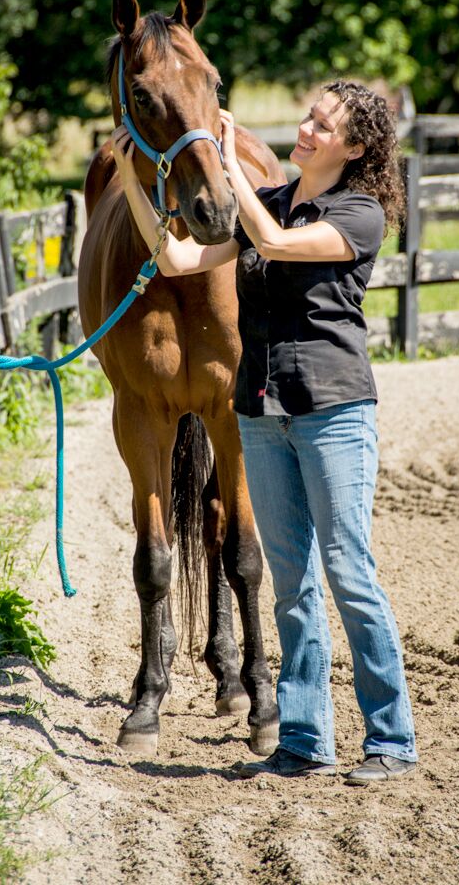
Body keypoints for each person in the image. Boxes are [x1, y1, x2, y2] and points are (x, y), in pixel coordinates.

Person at [110, 80, 417, 786]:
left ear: (355, 147)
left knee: (348, 572)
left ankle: (390, 739)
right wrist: (131, 178)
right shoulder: (270, 203)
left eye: (322, 124)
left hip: (331, 410)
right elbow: (177, 260)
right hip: (261, 410)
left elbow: (273, 243)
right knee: (292, 583)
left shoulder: (358, 214)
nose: (304, 129)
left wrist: (219, 154)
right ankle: (305, 741)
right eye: (307, 116)